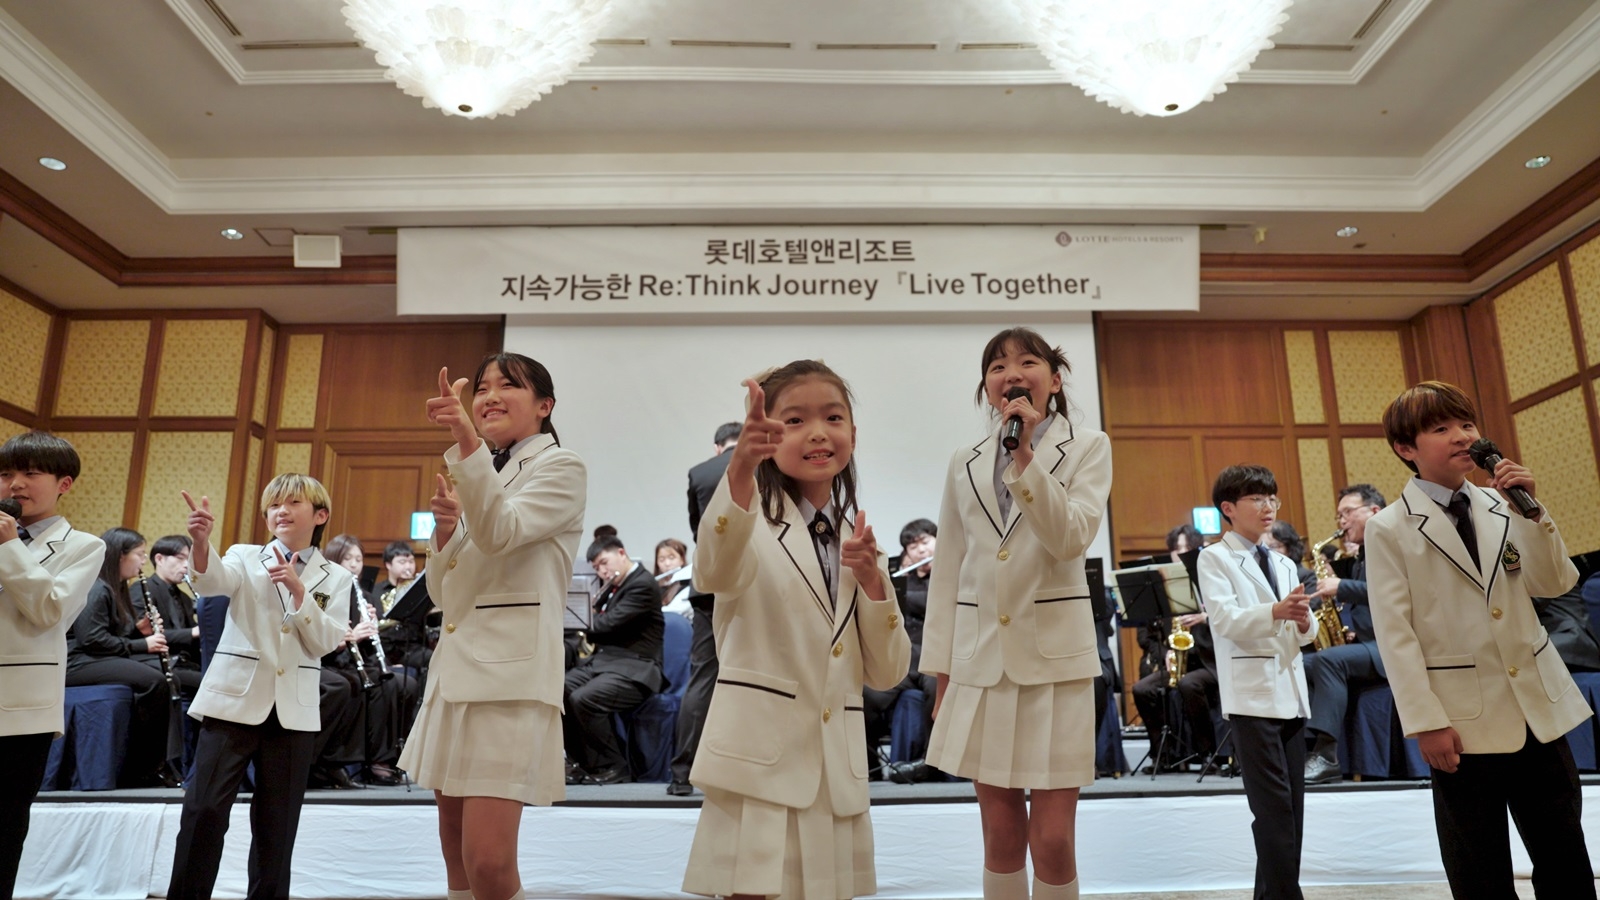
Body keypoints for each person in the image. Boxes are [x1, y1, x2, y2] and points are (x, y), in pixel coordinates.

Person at [682, 361, 910, 900]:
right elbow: (713, 569)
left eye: (833, 417)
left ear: (852, 433)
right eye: (795, 419)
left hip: (835, 769)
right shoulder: (747, 518)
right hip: (759, 760)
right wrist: (739, 468)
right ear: (765, 434)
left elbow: (888, 670)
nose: (817, 433)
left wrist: (874, 584)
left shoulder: (860, 538)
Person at [1366, 381, 1594, 899]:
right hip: (1461, 724)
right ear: (1407, 448)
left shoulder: (1504, 505)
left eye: (1467, 424)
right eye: (1441, 428)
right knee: (1480, 870)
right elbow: (1396, 634)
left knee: (1565, 858)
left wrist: (1532, 512)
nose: (1461, 436)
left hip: (1538, 712)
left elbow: (1555, 584)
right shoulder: (1389, 528)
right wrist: (1426, 722)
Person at [922, 327, 1112, 900]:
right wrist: (942, 671)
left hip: (1055, 664)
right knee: (1000, 833)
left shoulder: (1087, 446)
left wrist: (1025, 457)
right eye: (997, 366)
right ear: (987, 390)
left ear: (1054, 381)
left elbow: (1070, 536)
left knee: (1053, 840)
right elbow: (951, 569)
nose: (1011, 373)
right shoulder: (965, 460)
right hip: (981, 664)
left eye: (1027, 361)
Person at [401, 353, 587, 900]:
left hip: (508, 679)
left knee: (487, 860)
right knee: (454, 845)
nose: (488, 396)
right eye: (482, 387)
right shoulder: (490, 470)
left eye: (508, 385)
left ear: (544, 406)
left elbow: (503, 532)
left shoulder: (561, 466)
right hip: (455, 673)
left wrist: (465, 442)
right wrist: (444, 534)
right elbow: (441, 592)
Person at [167, 473, 354, 900]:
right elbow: (211, 582)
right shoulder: (245, 555)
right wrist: (200, 543)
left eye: (292, 503)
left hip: (293, 711)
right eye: (273, 505)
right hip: (233, 700)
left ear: (319, 515)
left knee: (277, 823)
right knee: (204, 809)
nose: (280, 511)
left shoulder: (336, 578)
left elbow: (325, 641)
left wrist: (297, 588)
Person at [1198, 465, 1317, 900]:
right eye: (1256, 499)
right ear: (1229, 509)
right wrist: (1275, 613)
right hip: (1252, 700)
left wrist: (1304, 620)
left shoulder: (1285, 562)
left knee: (1293, 812)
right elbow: (1225, 620)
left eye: (1272, 498)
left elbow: (1308, 633)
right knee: (1271, 813)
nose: (1268, 507)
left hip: (1292, 694)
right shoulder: (1214, 557)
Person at [0, 432, 103, 900]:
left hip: (22, 706)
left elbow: (50, 612)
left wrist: (9, 547)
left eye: (30, 473)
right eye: (6, 474)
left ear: (64, 484)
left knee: (2, 827)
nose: (15, 484)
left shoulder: (82, 546)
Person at [65, 528, 194, 786]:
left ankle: (162, 761)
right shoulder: (95, 587)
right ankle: (144, 767)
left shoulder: (116, 588)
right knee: (154, 681)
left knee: (166, 678)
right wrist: (143, 644)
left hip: (96, 657)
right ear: (119, 556)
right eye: (139, 554)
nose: (143, 561)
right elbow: (92, 639)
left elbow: (112, 635)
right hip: (77, 661)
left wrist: (139, 631)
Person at [670, 421, 741, 796]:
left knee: (702, 678)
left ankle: (682, 774)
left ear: (718, 447)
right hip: (753, 586)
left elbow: (700, 532)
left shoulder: (700, 473)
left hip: (708, 586)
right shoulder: (768, 468)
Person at [563, 533, 665, 785]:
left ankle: (614, 766)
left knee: (584, 699)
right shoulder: (615, 588)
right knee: (558, 690)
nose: (602, 571)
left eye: (604, 562)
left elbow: (607, 624)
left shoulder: (642, 584)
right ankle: (582, 763)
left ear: (621, 553)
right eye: (597, 568)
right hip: (606, 664)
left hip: (635, 668)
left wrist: (581, 616)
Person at [1303, 484, 1387, 786]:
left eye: (1348, 513)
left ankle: (1327, 756)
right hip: (1370, 643)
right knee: (1301, 664)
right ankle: (1303, 749)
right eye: (1339, 516)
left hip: (1398, 647)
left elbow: (1396, 592)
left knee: (1328, 661)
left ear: (1374, 511)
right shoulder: (1364, 553)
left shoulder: (1392, 543)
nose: (1341, 522)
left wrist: (1341, 587)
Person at [1130, 523, 1217, 771]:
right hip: (1179, 663)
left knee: (1189, 684)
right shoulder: (1163, 587)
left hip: (1209, 662)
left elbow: (1230, 619)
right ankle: (1163, 755)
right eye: (1176, 549)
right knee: (1141, 689)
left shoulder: (1210, 581)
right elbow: (1149, 635)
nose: (1180, 553)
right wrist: (1167, 652)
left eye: (1187, 548)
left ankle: (1206, 754)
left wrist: (1205, 617)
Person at [865, 518, 938, 780]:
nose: (919, 550)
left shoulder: (951, 573)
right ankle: (868, 767)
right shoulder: (898, 576)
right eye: (912, 545)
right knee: (869, 694)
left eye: (925, 542)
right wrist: (898, 583)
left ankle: (932, 763)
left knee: (940, 690)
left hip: (935, 661)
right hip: (905, 662)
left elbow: (936, 605)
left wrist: (908, 586)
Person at [142, 535, 202, 675]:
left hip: (184, 662)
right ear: (160, 559)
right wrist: (193, 632)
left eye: (189, 560)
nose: (187, 565)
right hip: (158, 662)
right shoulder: (143, 589)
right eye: (180, 558)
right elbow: (143, 636)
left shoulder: (185, 598)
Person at [374, 541, 430, 673]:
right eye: (402, 562)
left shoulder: (420, 591)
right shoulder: (376, 592)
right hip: (386, 648)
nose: (408, 566)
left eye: (411, 561)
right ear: (388, 565)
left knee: (433, 658)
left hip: (412, 647)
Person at [655, 537, 693, 618]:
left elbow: (675, 611)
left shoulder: (688, 585)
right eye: (662, 560)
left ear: (682, 559)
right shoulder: (654, 585)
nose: (667, 563)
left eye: (671, 558)